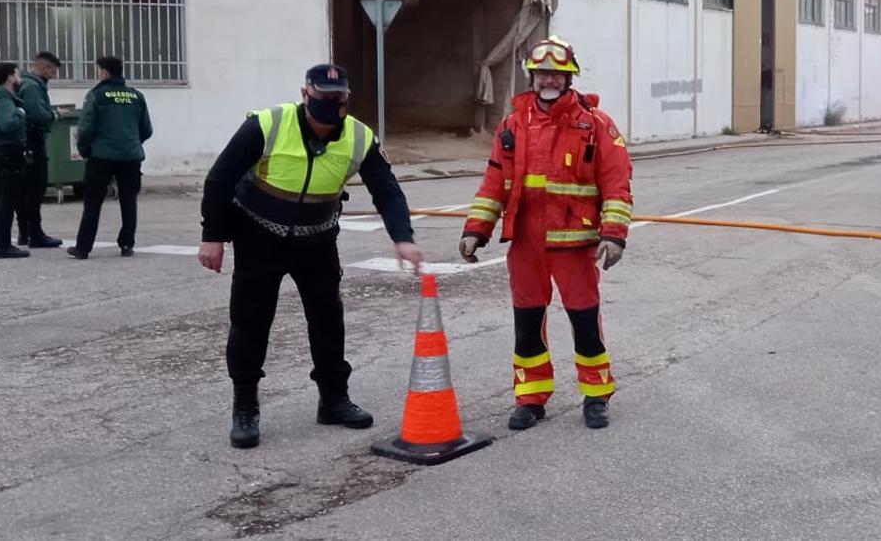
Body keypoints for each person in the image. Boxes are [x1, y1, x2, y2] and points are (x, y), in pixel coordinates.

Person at [198, 63, 424, 449]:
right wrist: (213, 236)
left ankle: (333, 400)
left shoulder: (358, 137)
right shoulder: (267, 124)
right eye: (322, 96)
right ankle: (245, 408)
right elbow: (220, 178)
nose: (331, 104)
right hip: (258, 236)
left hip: (317, 241)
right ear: (305, 95)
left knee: (327, 320)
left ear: (346, 99)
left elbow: (386, 190)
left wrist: (403, 238)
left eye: (338, 98)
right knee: (250, 323)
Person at [459, 36, 633, 431]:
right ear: (532, 77)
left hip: (574, 242)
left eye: (556, 73)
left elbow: (617, 183)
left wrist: (615, 233)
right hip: (525, 242)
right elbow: (493, 183)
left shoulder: (596, 125)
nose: (548, 80)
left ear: (569, 77)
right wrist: (476, 229)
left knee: (584, 323)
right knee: (527, 323)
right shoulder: (512, 125)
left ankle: (596, 395)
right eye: (541, 73)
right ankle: (531, 397)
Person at [68, 57, 153, 260]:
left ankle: (83, 248)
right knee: (129, 201)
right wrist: (131, 142)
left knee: (93, 203)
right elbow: (147, 129)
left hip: (101, 157)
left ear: (104, 72)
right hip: (131, 157)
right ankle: (126, 245)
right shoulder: (136, 96)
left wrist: (86, 150)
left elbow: (85, 129)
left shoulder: (96, 96)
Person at [0, 62, 30, 259]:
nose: (20, 79)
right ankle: (3, 245)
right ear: (10, 77)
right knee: (7, 200)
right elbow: (8, 124)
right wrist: (20, 113)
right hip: (8, 151)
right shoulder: (4, 97)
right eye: (18, 75)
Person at [15, 52, 63, 248]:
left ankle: (24, 233)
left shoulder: (27, 83)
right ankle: (35, 233)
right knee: (35, 187)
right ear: (45, 68)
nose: (54, 75)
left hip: (24, 141)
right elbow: (37, 115)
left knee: (24, 189)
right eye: (53, 70)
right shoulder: (33, 86)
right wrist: (53, 116)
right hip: (32, 141)